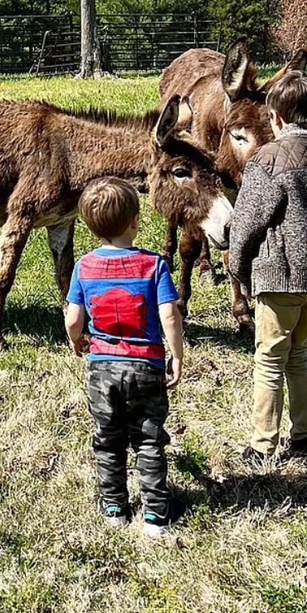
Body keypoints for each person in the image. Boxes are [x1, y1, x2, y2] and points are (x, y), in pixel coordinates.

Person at [229, 70, 307, 464]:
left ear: (275, 118)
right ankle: (306, 439)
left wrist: (240, 272)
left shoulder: (267, 159)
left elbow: (245, 225)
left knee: (269, 360)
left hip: (281, 276)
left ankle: (262, 447)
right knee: (299, 354)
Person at [65, 176, 185, 538]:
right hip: (146, 366)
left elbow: (73, 318)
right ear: (135, 222)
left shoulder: (84, 267)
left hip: (102, 368)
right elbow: (169, 315)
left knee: (108, 437)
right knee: (149, 440)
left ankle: (115, 506)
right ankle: (155, 515)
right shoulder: (154, 265)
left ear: (90, 227)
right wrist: (176, 354)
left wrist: (77, 340)